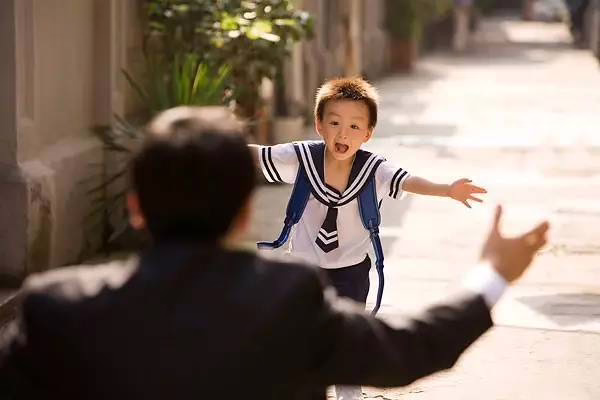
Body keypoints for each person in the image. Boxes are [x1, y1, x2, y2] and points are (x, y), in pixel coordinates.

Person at [0, 107, 548, 400]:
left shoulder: (54, 310)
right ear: (245, 212)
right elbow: (411, 348)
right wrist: (493, 275)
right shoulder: (289, 299)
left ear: (136, 208)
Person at [251, 77, 487, 400]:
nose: (343, 134)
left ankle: (350, 392)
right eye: (334, 123)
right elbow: (258, 155)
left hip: (351, 271)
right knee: (302, 336)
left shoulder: (374, 170)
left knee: (347, 338)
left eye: (354, 126)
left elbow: (407, 181)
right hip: (304, 270)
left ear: (368, 133)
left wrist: (446, 190)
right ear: (319, 125)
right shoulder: (301, 158)